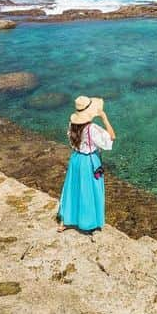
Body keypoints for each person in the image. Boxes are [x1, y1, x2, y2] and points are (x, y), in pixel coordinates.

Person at [58, 95, 115, 233]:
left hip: (76, 159)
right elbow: (111, 138)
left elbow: (73, 142)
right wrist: (105, 118)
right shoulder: (92, 129)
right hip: (89, 161)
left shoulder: (72, 125)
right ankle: (89, 223)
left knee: (73, 188)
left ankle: (66, 221)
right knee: (90, 191)